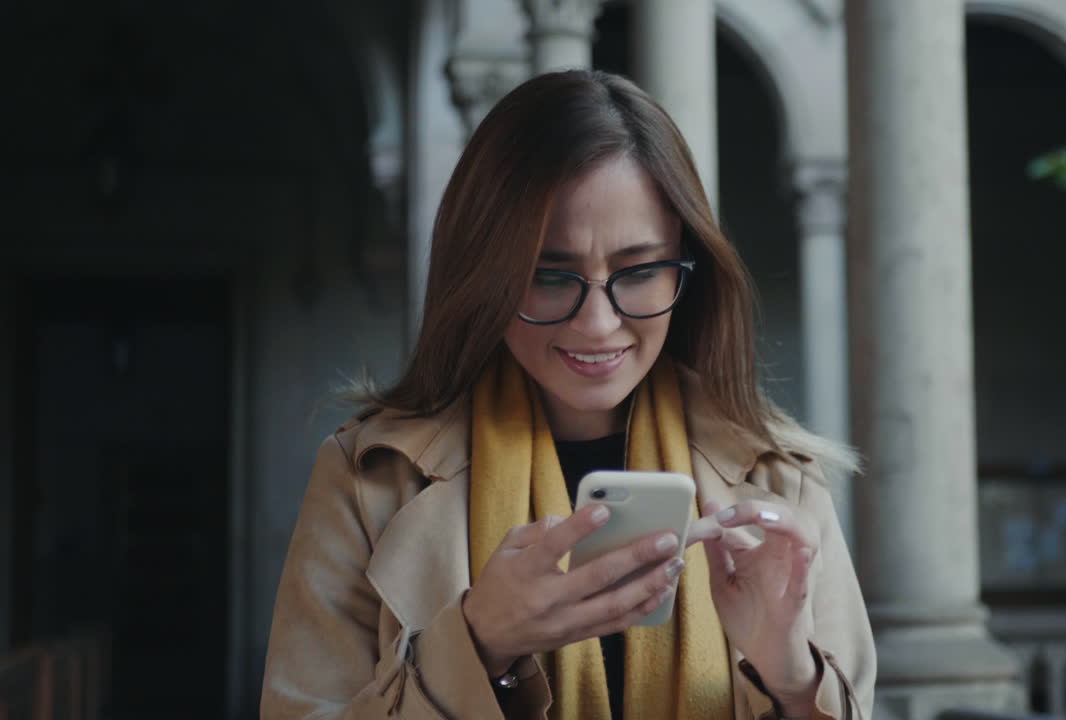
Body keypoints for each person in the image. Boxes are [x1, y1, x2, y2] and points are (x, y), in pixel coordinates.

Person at [260, 69, 875, 720]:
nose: (598, 323)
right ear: (486, 274)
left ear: (687, 270)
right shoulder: (370, 479)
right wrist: (477, 645)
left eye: (638, 272)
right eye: (551, 277)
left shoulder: (780, 478)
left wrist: (789, 673)